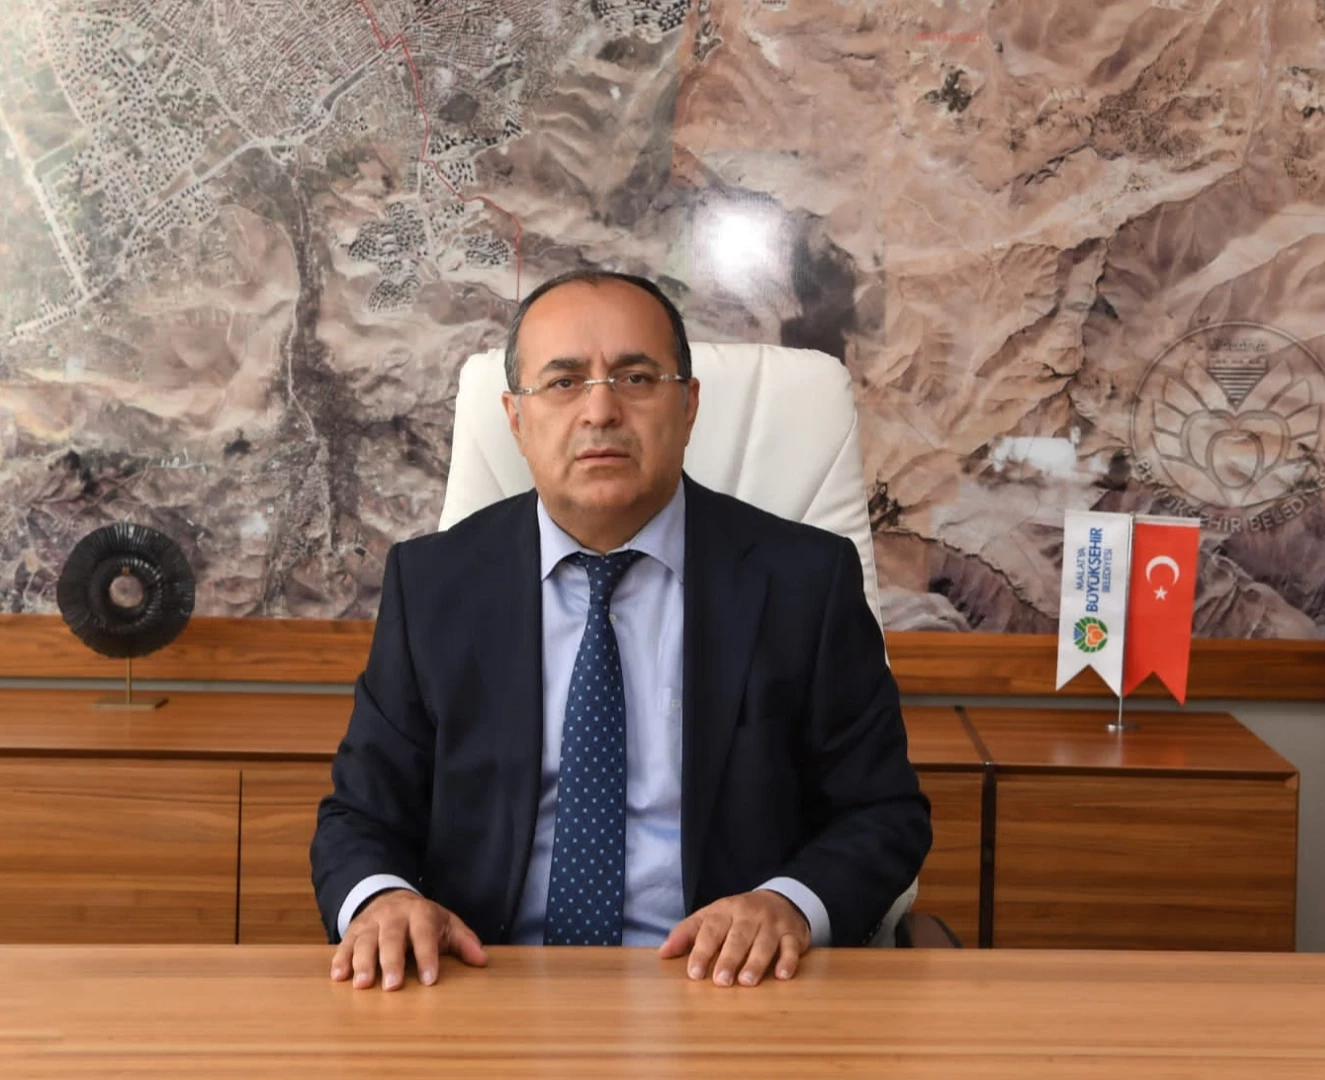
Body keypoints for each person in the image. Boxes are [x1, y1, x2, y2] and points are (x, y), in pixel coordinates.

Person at [311, 269, 931, 991]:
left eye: (636, 378)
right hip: (481, 985)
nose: (600, 410)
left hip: (728, 990)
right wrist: (382, 901)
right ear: (516, 418)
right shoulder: (433, 585)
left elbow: (881, 813)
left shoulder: (803, 583)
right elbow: (361, 814)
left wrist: (787, 905)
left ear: (688, 406)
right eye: (564, 382)